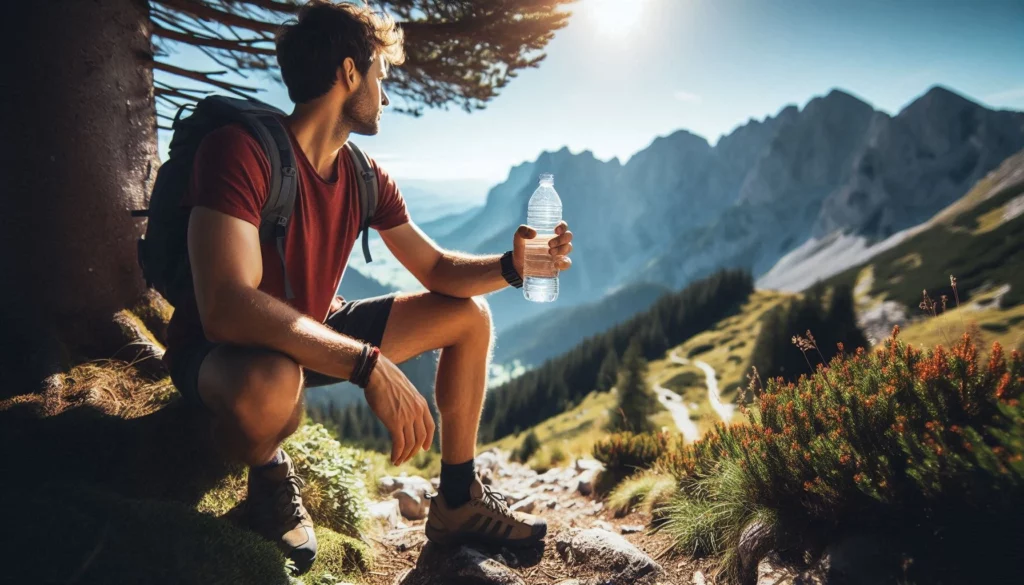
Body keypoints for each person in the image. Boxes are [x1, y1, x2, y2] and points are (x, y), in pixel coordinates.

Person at [162, 0, 575, 573]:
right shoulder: (240, 152)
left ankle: (457, 500)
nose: (385, 94)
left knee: (469, 317)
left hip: (310, 331)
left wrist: (513, 266)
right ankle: (268, 477)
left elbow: (435, 271)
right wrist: (365, 363)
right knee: (273, 384)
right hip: (220, 354)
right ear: (349, 72)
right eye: (380, 75)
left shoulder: (364, 176)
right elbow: (226, 307)